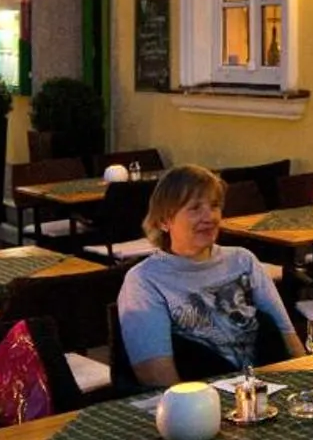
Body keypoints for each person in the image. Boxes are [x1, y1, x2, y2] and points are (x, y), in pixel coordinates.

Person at [116, 165, 303, 388]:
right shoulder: (144, 280)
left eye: (214, 206)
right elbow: (156, 376)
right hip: (201, 399)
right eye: (195, 208)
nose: (210, 217)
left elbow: (287, 337)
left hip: (266, 390)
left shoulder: (243, 260)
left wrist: (305, 386)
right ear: (165, 221)